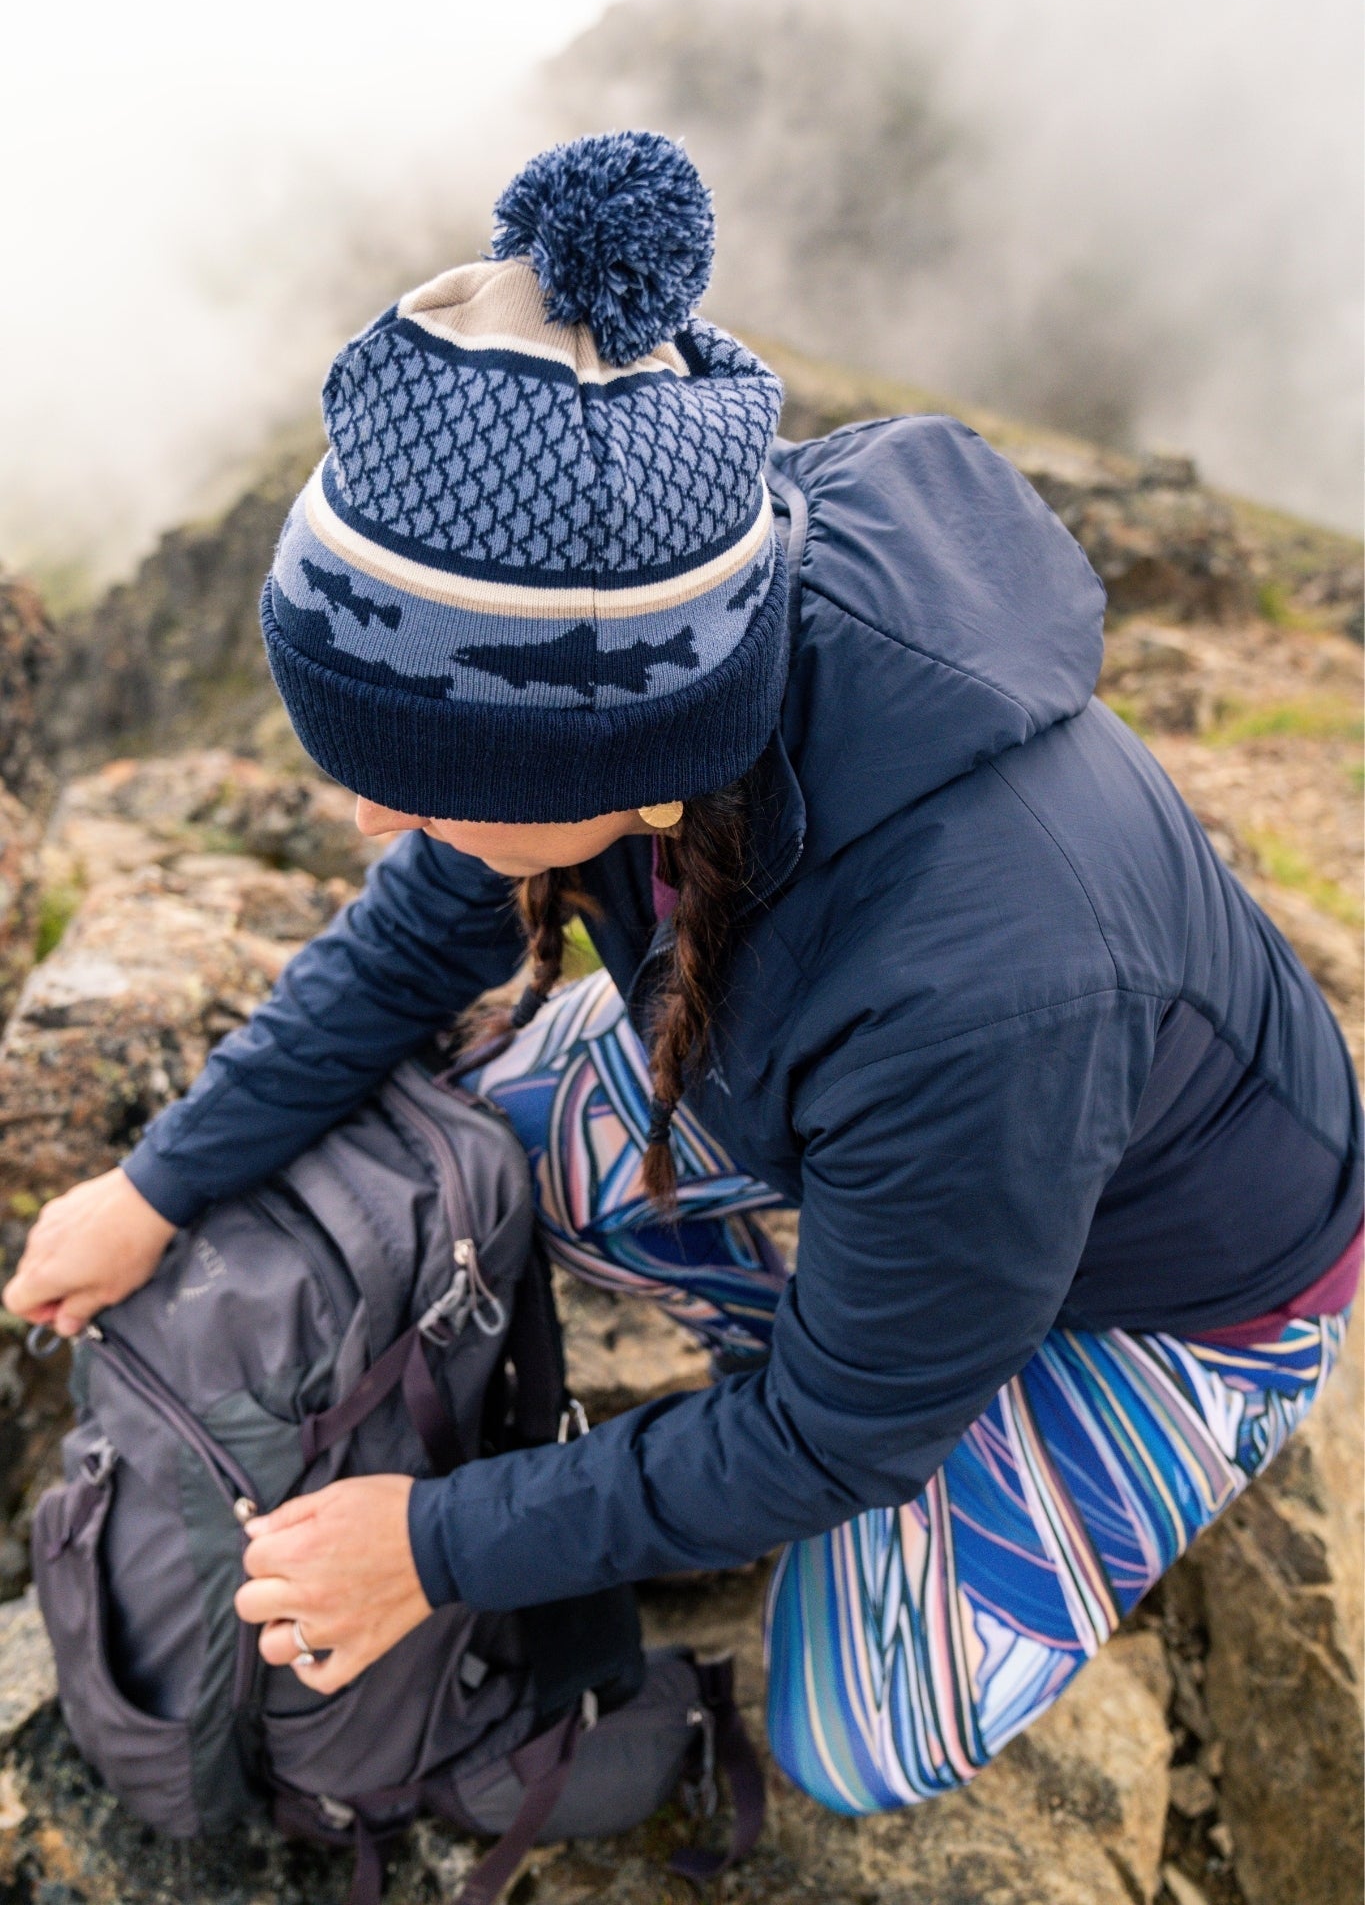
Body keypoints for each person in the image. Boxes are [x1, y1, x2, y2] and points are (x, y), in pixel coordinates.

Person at [6, 131, 1359, 1814]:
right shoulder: (671, 637)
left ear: (601, 749)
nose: (366, 817)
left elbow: (834, 1443)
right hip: (924, 1138)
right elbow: (417, 929)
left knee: (852, 1741)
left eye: (411, 777)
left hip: (1172, 1294)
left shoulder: (978, 983)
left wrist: (430, 1546)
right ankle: (900, 1317)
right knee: (505, 1139)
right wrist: (154, 1184)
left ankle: (983, 1384)